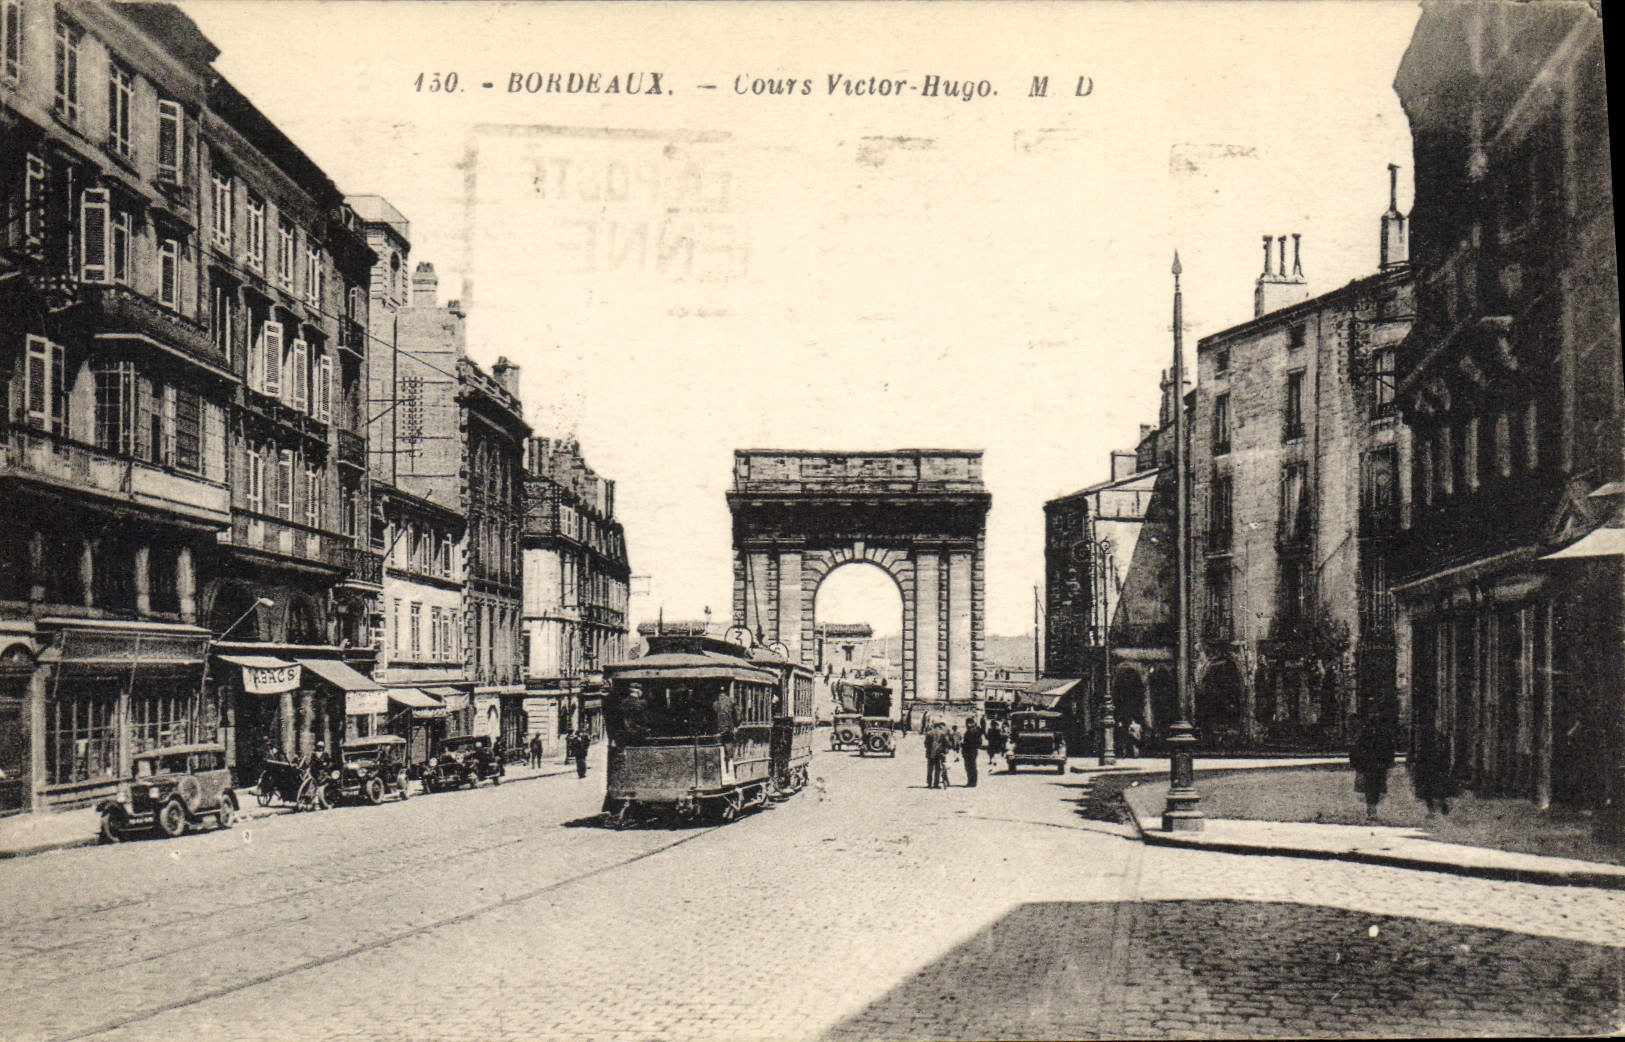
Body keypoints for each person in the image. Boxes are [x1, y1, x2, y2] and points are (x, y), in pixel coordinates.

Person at [1349, 714, 1397, 820]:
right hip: (1373, 766)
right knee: (1373, 788)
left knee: (1373, 788)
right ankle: (1372, 809)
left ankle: (1372, 809)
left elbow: (1356, 750)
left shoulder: (1369, 734)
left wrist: (1357, 766)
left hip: (1373, 765)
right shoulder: (1381, 734)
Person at [1411, 725, 1456, 817]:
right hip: (1430, 769)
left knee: (1437, 790)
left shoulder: (1443, 741)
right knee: (1429, 790)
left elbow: (1446, 757)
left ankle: (1440, 808)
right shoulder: (1429, 742)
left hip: (1436, 769)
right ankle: (1433, 810)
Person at [961, 716, 984, 787]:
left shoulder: (970, 731)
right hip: (973, 750)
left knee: (969, 767)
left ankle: (971, 782)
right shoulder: (976, 730)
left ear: (969, 723)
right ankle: (973, 782)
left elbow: (969, 742)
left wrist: (963, 744)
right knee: (972, 766)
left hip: (969, 751)